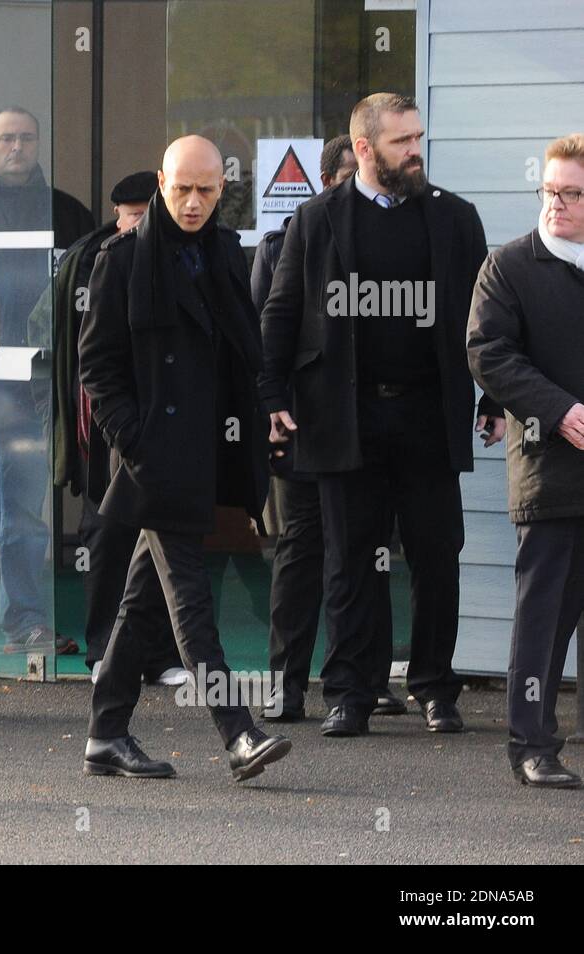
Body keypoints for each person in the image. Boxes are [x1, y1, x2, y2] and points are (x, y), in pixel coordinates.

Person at [259, 93, 504, 737]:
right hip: (344, 415)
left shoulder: (455, 218)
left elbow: (487, 321)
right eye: (402, 141)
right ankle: (350, 693)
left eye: (419, 137)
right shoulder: (316, 220)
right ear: (364, 149)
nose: (416, 150)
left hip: (427, 413)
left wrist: (494, 395)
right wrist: (272, 397)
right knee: (349, 559)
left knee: (435, 553)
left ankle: (433, 687)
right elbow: (282, 313)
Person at [78, 135, 292, 782]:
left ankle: (106, 734)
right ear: (161, 186)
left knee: (143, 601)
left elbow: (244, 350)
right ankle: (239, 732)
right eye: (181, 190)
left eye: (205, 190)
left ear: (220, 189)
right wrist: (134, 441)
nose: (193, 203)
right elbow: (98, 367)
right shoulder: (120, 261)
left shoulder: (226, 254)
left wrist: (266, 414)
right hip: (156, 460)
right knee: (191, 604)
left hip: (211, 452)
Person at [252, 136, 405, 722]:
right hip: (305, 424)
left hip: (365, 430)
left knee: (366, 550)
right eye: (346, 175)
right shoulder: (292, 238)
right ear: (327, 181)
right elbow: (270, 327)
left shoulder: (389, 241)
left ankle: (367, 681)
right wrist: (273, 406)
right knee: (302, 550)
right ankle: (285, 685)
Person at [0, 106, 95, 655]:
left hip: (35, 385)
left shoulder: (64, 211)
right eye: (5, 138)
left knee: (27, 514)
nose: (16, 147)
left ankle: (26, 624)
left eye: (26, 138)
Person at [28, 170, 183, 684]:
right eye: (134, 216)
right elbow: (45, 336)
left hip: (162, 425)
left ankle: (160, 658)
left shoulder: (178, 258)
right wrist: (49, 414)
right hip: (99, 434)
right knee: (107, 540)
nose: (142, 225)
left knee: (163, 545)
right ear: (119, 216)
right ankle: (102, 654)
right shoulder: (83, 262)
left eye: (149, 215)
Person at [467, 132, 584, 789]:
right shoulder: (510, 267)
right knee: (544, 616)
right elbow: (489, 353)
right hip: (548, 467)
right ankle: (530, 745)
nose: (556, 205)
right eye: (548, 191)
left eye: (571, 194)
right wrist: (562, 411)